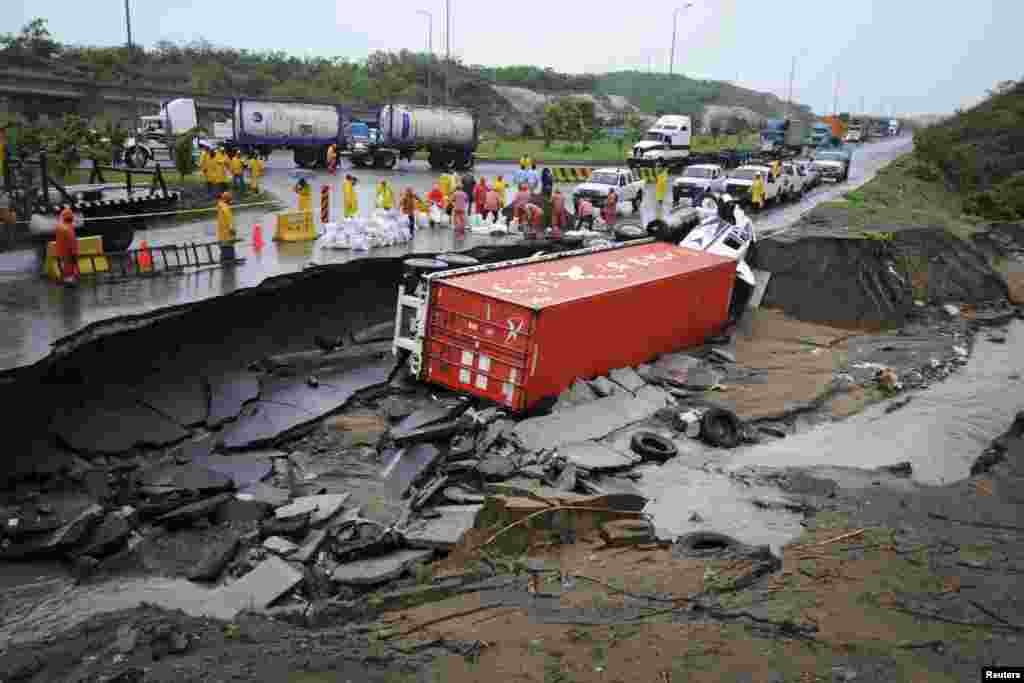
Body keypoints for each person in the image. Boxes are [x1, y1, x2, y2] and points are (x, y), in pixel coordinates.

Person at [55, 207, 80, 285]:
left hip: (60, 254)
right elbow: (72, 242)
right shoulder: (69, 228)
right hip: (69, 256)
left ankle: (64, 281)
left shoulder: (59, 227)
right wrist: (74, 255)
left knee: (64, 274)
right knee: (70, 277)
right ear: (71, 217)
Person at [216, 192, 237, 263]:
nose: (230, 202)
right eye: (230, 200)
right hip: (227, 235)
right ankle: (228, 264)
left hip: (222, 235)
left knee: (224, 251)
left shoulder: (221, 206)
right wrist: (232, 230)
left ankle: (225, 263)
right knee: (228, 253)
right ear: (227, 200)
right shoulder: (225, 208)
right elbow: (229, 220)